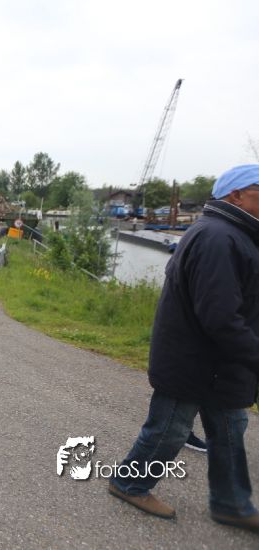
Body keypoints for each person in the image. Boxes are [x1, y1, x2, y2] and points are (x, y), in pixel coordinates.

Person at [108, 164, 259, 534]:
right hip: (193, 361)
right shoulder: (217, 238)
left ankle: (232, 504)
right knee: (169, 430)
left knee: (230, 432)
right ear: (237, 195)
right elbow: (220, 316)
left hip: (222, 363)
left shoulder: (237, 234)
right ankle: (129, 482)